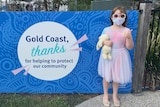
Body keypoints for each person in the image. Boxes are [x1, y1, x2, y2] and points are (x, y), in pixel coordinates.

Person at [98, 6, 134, 107]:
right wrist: (106, 42)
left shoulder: (126, 30)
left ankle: (115, 95)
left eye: (122, 15)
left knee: (117, 77)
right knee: (106, 76)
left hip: (121, 56)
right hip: (108, 55)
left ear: (125, 17)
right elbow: (100, 41)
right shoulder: (107, 30)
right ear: (112, 17)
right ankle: (105, 95)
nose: (119, 18)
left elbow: (129, 47)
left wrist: (129, 38)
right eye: (116, 15)